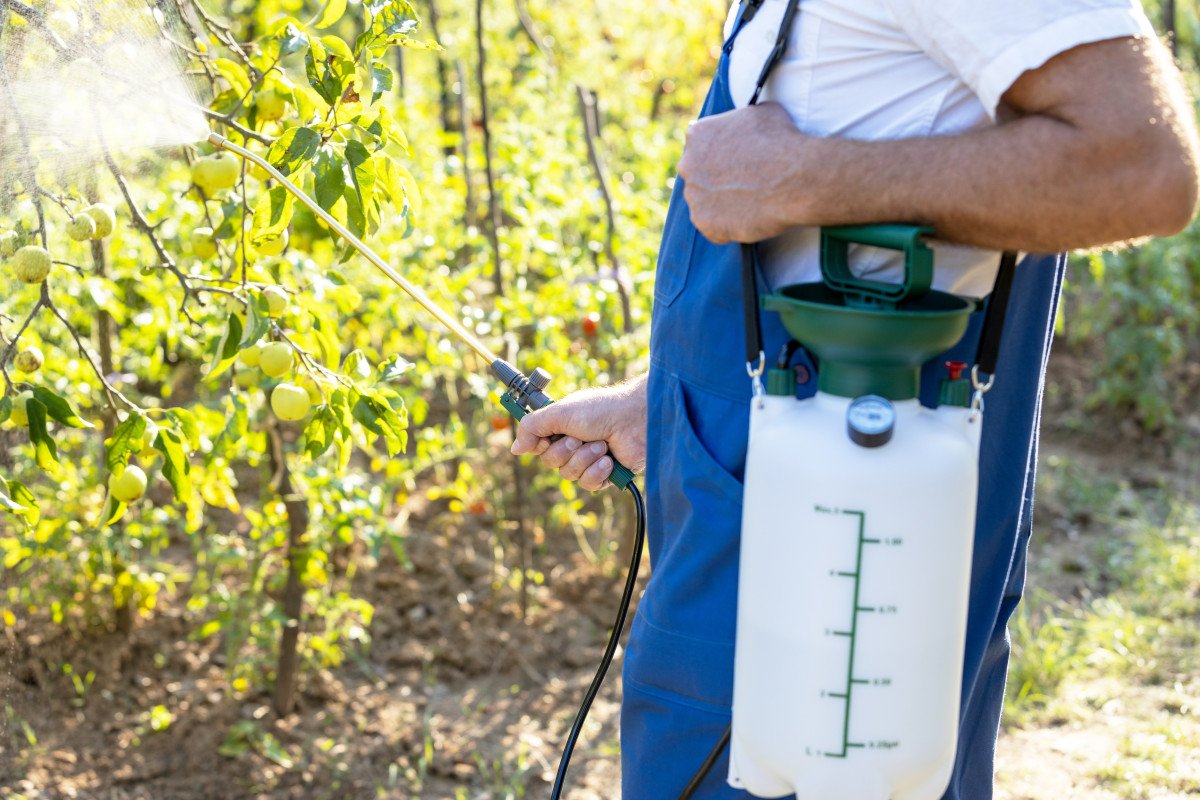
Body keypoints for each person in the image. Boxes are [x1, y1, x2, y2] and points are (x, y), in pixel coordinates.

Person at [512, 0, 1200, 797]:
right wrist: (672, 410)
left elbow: (1141, 165)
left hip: (840, 556)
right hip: (786, 503)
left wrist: (808, 177)